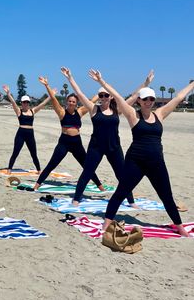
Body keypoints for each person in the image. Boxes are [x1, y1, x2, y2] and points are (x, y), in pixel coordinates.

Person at [91, 70, 194, 237]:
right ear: (139, 100)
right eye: (145, 98)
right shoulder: (133, 115)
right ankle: (106, 222)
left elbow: (178, 98)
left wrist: (192, 83)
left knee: (167, 196)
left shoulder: (159, 114)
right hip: (135, 162)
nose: (149, 101)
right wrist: (101, 81)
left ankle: (179, 226)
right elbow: (117, 96)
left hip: (156, 163)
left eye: (151, 99)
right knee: (120, 193)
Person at [61, 67, 154, 206]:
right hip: (96, 147)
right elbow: (79, 94)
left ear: (111, 96)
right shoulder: (94, 109)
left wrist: (145, 83)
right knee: (87, 172)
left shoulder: (118, 110)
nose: (103, 98)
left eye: (106, 95)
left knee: (122, 175)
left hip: (114, 147)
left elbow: (135, 96)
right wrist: (70, 77)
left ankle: (131, 201)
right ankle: (76, 198)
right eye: (101, 96)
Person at [33, 76, 104, 192]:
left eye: (74, 102)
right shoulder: (61, 112)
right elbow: (53, 98)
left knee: (87, 166)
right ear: (67, 102)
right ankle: (37, 184)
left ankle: (100, 186)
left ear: (76, 103)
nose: (71, 103)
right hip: (64, 143)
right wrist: (47, 85)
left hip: (77, 143)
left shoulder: (80, 112)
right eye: (70, 101)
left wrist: (102, 92)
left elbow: (91, 101)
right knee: (52, 164)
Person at [2, 85, 52, 171]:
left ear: (29, 103)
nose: (25, 104)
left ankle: (39, 170)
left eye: (27, 102)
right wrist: (8, 93)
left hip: (30, 134)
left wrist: (51, 95)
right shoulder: (19, 111)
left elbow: (42, 104)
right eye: (24, 102)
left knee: (34, 153)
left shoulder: (33, 111)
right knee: (15, 152)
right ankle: (9, 169)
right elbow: (13, 102)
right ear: (21, 103)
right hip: (20, 134)